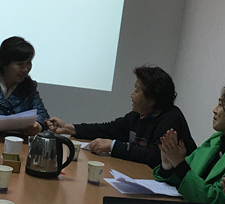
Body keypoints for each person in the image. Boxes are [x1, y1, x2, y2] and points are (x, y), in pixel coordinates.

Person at [47, 65, 196, 168]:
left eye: (137, 90)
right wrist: (69, 128)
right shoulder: (138, 116)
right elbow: (108, 129)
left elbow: (156, 156)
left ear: (151, 99)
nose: (131, 94)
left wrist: (113, 146)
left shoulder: (171, 120)